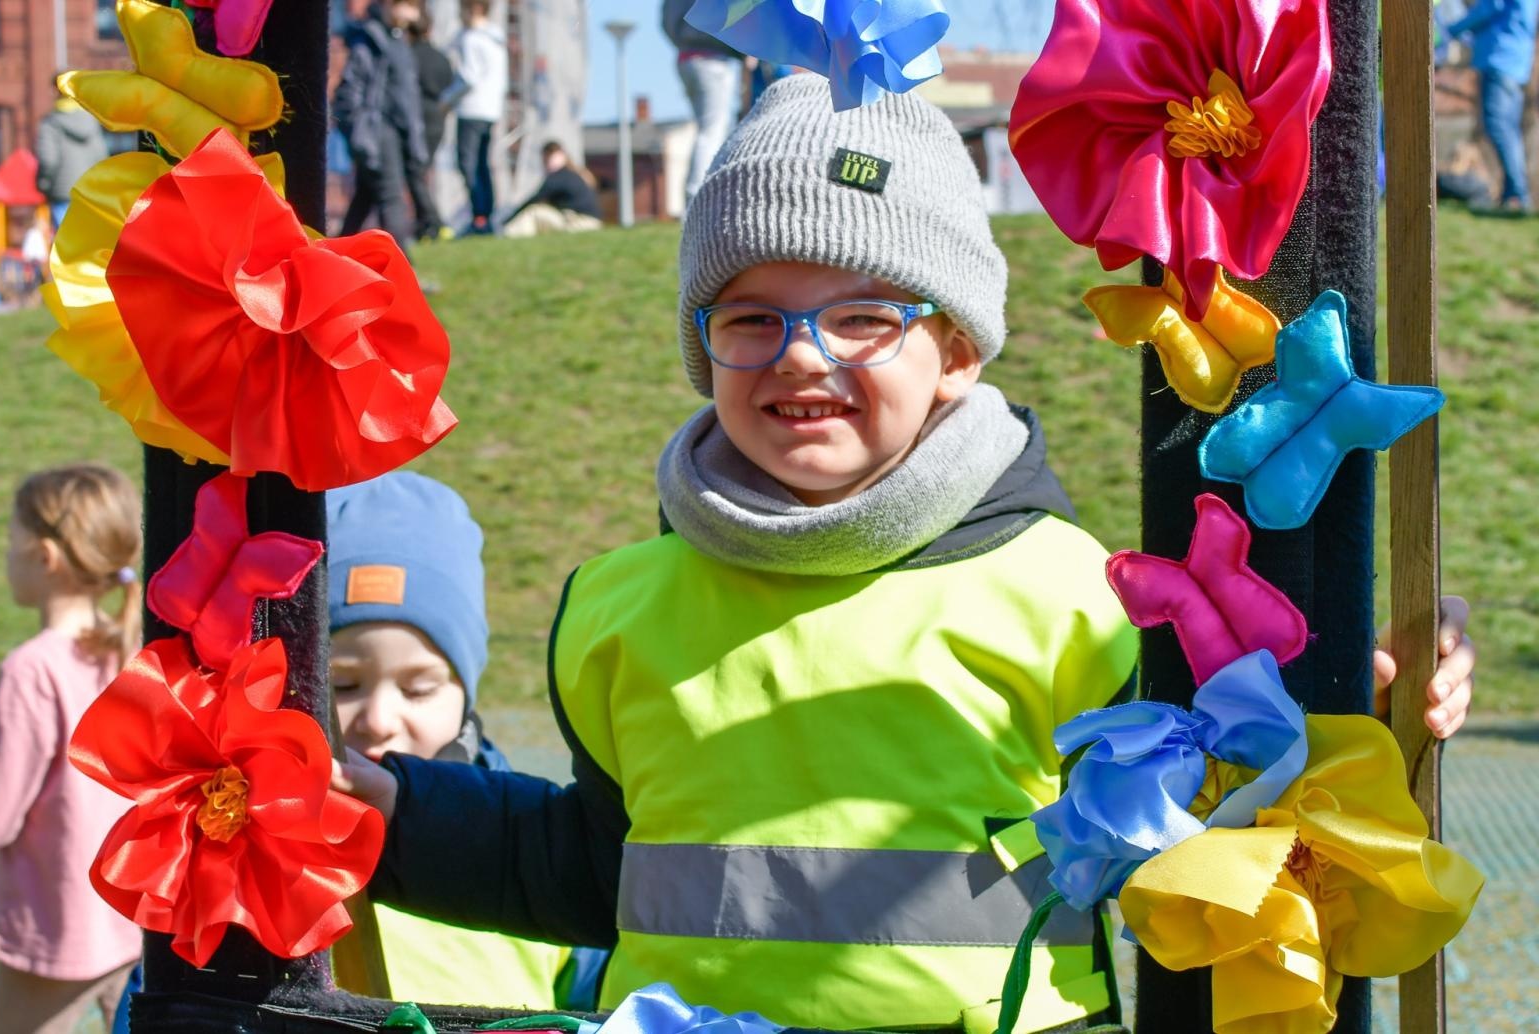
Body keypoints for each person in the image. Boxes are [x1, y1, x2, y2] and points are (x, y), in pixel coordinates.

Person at [332, 78, 1478, 1032]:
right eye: (748, 317)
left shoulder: (1078, 594)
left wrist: (1359, 704)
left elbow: (1222, 825)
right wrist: (392, 811)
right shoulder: (615, 607)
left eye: (863, 314)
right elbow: (591, 867)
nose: (800, 355)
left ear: (959, 351)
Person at [326, 472, 603, 1009]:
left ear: (465, 690)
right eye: (343, 684)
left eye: (418, 687)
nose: (380, 719)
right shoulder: (244, 848)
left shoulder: (534, 847)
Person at [0, 464, 143, 1034]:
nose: (5, 553)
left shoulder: (32, 668)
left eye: (12, 539)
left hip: (59, 928)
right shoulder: (130, 647)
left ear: (47, 557)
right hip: (133, 917)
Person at [334, 1, 427, 252]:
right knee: (392, 198)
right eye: (409, 6)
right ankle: (404, 270)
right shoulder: (371, 39)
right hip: (378, 132)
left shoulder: (397, 39)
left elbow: (406, 95)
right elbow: (352, 91)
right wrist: (361, 131)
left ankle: (334, 253)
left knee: (364, 199)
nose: (414, 14)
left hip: (394, 133)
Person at [1447, 0, 1539, 212]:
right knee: (1508, 130)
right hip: (1516, 63)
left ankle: (1517, 195)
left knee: (1498, 127)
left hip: (1500, 58)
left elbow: (1489, 6)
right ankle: (1512, 195)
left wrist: (1450, 30)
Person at [662, 0, 742, 205]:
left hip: (686, 57)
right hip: (711, 60)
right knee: (713, 131)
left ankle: (696, 194)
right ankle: (698, 195)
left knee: (706, 130)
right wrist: (740, 51)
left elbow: (667, 23)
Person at [399, 2, 455, 242]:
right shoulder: (442, 58)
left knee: (415, 172)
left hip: (418, 118)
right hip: (438, 117)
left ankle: (435, 223)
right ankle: (426, 225)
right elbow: (452, 86)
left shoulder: (409, 55)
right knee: (420, 172)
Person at [453, 0, 508, 235]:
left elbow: (468, 77)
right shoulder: (497, 40)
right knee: (482, 165)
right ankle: (486, 216)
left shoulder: (471, 38)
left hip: (471, 108)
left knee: (468, 164)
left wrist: (444, 101)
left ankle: (479, 218)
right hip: (491, 110)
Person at [34, 80, 109, 230]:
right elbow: (101, 156)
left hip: (63, 193)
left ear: (56, 91)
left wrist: (44, 185)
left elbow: (48, 159)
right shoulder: (91, 121)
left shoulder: (51, 124)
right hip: (89, 194)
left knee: (66, 245)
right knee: (87, 242)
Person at [502, 141, 603, 238]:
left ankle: (507, 237)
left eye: (548, 157)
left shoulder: (560, 176)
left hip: (579, 223)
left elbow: (534, 199)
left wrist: (510, 218)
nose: (546, 161)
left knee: (534, 212)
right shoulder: (575, 174)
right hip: (589, 222)